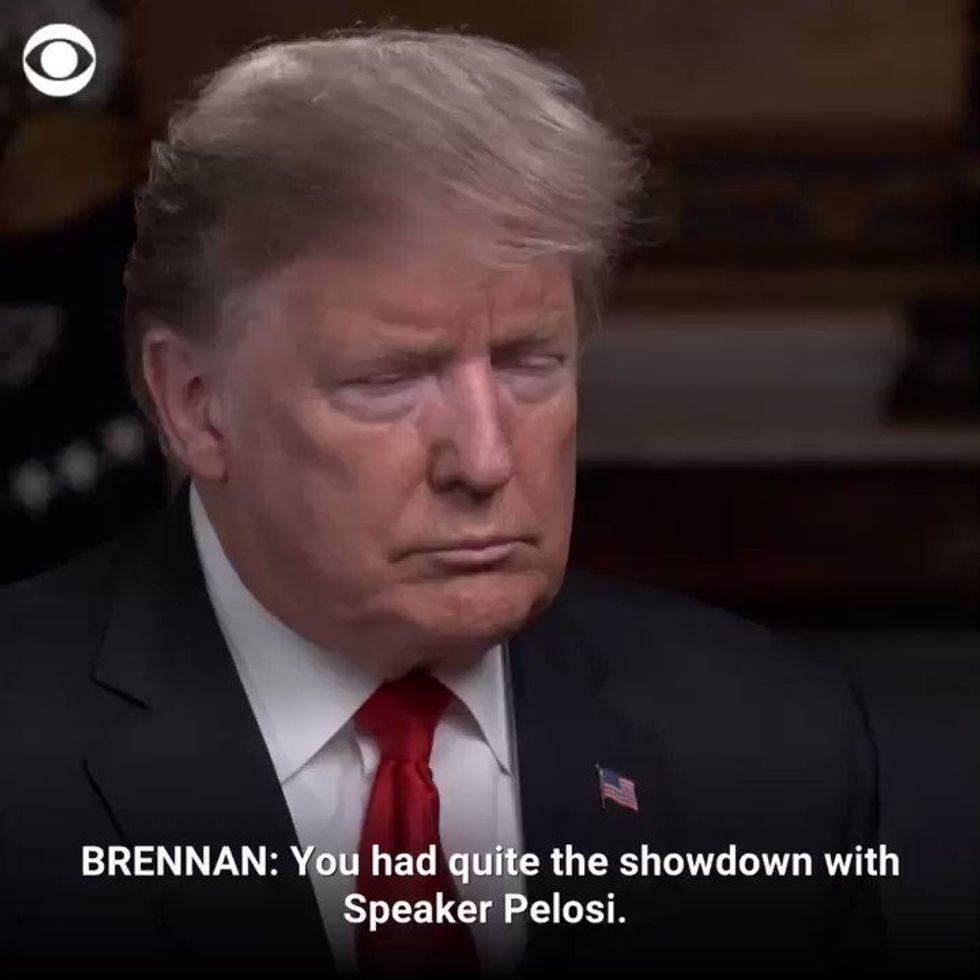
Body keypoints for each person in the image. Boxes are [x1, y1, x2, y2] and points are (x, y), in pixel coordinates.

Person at [0, 27, 883, 978]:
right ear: (195, 403)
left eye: (528, 364)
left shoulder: (774, 746)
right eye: (390, 378)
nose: (486, 459)